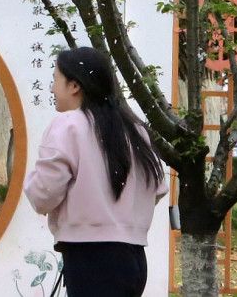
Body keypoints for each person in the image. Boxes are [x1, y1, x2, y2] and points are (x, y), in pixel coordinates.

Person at [24, 47, 167, 297]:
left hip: (90, 258)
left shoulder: (68, 125)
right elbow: (158, 188)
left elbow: (43, 194)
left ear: (74, 86)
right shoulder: (135, 129)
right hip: (134, 257)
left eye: (55, 79)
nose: (52, 89)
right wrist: (120, 214)